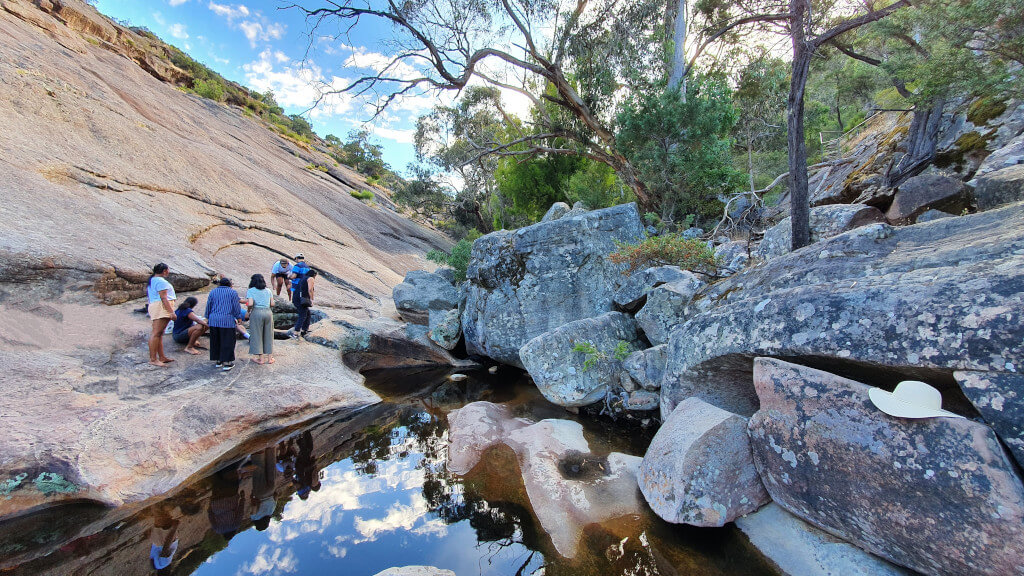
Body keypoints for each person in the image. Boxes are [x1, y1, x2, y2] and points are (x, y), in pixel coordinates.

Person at [205, 277, 246, 371]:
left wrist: (207, 317)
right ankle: (227, 362)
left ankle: (218, 360)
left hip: (214, 319)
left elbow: (209, 305)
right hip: (227, 320)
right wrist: (239, 317)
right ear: (229, 284)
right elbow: (236, 307)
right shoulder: (232, 292)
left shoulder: (213, 292)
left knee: (216, 340)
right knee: (228, 341)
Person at [147, 263, 177, 367]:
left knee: (159, 333)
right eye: (168, 270)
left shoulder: (153, 280)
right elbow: (164, 297)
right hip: (161, 307)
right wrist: (171, 312)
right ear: (164, 271)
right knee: (156, 333)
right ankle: (153, 359)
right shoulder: (160, 281)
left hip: (157, 306)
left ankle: (161, 357)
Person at [246, 274, 275, 365]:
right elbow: (272, 304)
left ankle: (261, 359)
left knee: (257, 335)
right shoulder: (268, 290)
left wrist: (248, 308)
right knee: (269, 334)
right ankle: (270, 358)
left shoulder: (251, 291)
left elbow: (250, 304)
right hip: (268, 312)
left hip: (257, 312)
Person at [288, 268, 316, 338]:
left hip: (297, 298)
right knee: (303, 314)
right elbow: (310, 290)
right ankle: (296, 332)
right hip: (301, 299)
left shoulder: (303, 278)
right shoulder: (311, 279)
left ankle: (304, 330)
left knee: (308, 313)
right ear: (314, 275)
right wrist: (312, 299)